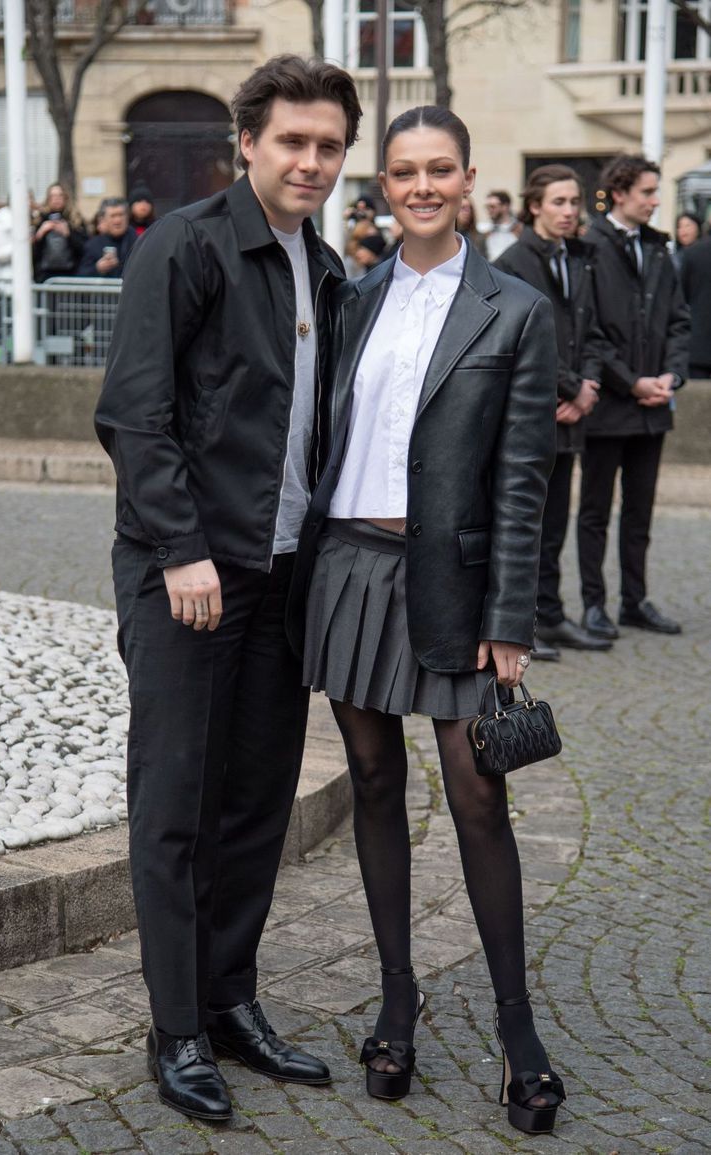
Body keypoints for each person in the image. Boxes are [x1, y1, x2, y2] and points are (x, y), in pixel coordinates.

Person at [95, 55, 362, 1123]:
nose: (309, 160)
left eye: (327, 145)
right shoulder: (187, 245)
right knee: (175, 805)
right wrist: (180, 549)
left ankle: (230, 998)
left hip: (281, 573)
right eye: (291, 140)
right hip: (190, 575)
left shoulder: (328, 268)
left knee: (255, 802)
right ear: (245, 142)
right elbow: (134, 412)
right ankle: (175, 1028)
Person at [290, 105, 565, 1135]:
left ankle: (514, 1027)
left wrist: (511, 618)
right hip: (350, 570)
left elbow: (524, 479)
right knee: (368, 780)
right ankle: (396, 999)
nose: (419, 186)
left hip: (452, 583)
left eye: (437, 170)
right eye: (402, 170)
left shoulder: (515, 306)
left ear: (466, 178)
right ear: (382, 184)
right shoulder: (349, 297)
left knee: (477, 795)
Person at [495, 165, 611, 659]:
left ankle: (552, 613)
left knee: (557, 520)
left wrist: (588, 387)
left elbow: (594, 330)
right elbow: (522, 341)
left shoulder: (578, 260)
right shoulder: (511, 261)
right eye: (559, 202)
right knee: (527, 521)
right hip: (530, 413)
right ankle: (526, 623)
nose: (569, 211)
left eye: (574, 202)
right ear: (535, 206)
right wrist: (568, 387)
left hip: (570, 413)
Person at [578, 155, 690, 639]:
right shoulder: (589, 246)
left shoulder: (660, 249)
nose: (655, 200)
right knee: (596, 512)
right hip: (609, 406)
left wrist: (672, 377)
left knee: (640, 512)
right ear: (620, 192)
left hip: (653, 409)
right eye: (647, 191)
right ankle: (593, 605)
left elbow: (679, 321)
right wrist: (631, 382)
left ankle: (634, 600)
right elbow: (590, 330)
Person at [32, 182, 87, 281]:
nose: (56, 199)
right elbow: (32, 251)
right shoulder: (39, 219)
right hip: (44, 275)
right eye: (52, 196)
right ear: (48, 199)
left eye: (60, 195)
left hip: (71, 275)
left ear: (66, 198)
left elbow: (85, 247)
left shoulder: (75, 220)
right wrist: (40, 233)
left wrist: (68, 234)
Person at [78, 197, 137, 277]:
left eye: (121, 215)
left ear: (127, 217)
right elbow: (81, 275)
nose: (117, 220)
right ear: (103, 220)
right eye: (113, 216)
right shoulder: (92, 245)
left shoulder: (137, 242)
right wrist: (98, 268)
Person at [680, 232, 711, 379]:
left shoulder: (692, 253)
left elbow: (681, 297)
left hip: (698, 346)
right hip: (699, 348)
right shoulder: (693, 253)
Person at [483, 189, 521, 261]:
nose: (489, 210)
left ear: (505, 206)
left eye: (492, 206)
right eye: (487, 207)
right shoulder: (486, 232)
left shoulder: (519, 230)